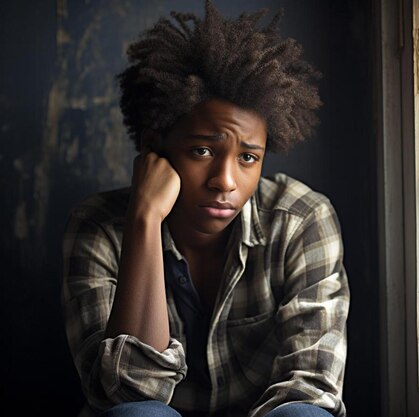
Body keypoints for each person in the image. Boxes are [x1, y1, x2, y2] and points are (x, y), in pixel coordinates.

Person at [60, 2, 350, 417]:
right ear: (152, 147)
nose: (225, 181)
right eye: (202, 150)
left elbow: (310, 387)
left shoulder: (301, 220)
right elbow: (126, 393)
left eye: (248, 158)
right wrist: (144, 222)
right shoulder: (98, 228)